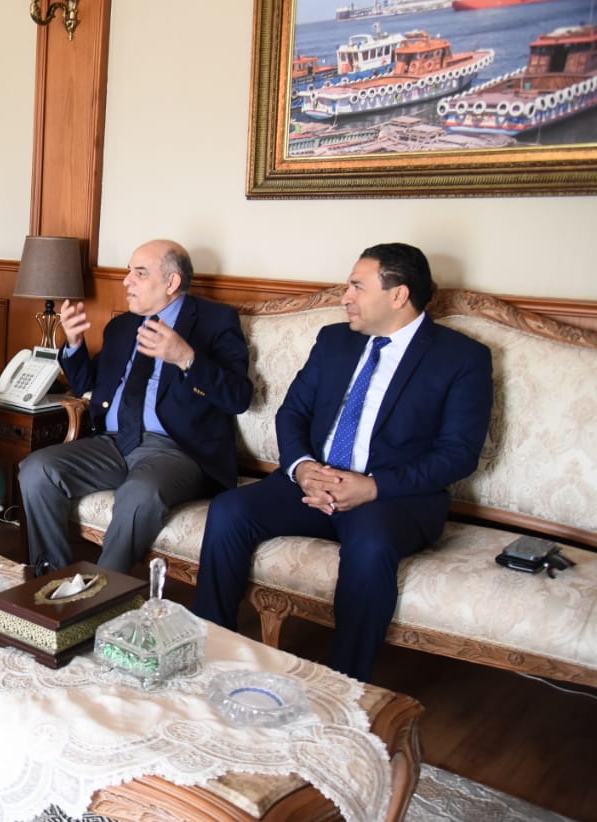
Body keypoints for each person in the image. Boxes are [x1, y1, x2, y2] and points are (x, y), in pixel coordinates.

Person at [193, 243, 493, 682]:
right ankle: (210, 648)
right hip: (313, 480)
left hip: (393, 497)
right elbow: (292, 413)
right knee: (229, 510)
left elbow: (458, 454)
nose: (345, 296)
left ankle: (344, 683)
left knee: (371, 547)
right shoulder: (334, 340)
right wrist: (302, 468)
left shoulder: (462, 358)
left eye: (357, 286)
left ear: (398, 295)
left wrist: (373, 487)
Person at [17, 239, 254, 575]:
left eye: (139, 273)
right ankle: (52, 579)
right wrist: (74, 343)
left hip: (177, 450)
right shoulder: (123, 326)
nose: (126, 281)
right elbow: (88, 385)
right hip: (112, 444)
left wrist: (186, 359)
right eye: (128, 271)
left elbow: (238, 397)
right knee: (36, 469)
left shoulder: (215, 321)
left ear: (171, 282)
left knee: (139, 493)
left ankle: (102, 593)